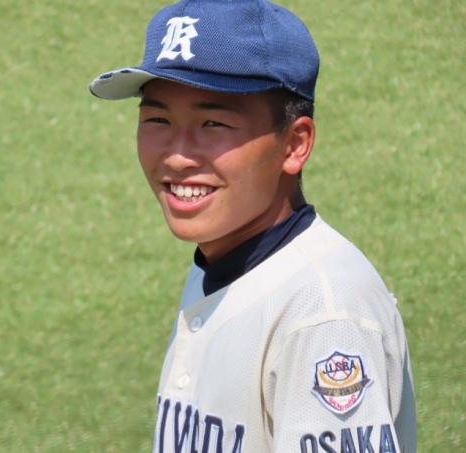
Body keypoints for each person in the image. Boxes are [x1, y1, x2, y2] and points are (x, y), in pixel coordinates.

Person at [89, 0, 416, 452]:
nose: (177, 156)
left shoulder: (324, 316)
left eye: (213, 123)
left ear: (295, 144)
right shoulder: (221, 260)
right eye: (158, 119)